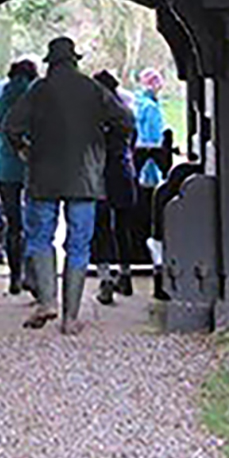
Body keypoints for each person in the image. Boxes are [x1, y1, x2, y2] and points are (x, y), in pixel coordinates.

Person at [5, 36, 132, 334]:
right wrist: (101, 145)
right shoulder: (93, 89)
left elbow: (11, 126)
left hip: (43, 176)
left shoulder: (39, 90)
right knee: (79, 245)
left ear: (51, 62)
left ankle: (47, 301)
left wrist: (24, 149)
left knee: (40, 238)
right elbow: (125, 122)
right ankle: (70, 318)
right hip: (85, 178)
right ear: (75, 60)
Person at [0, 59, 39, 295]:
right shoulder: (34, 92)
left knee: (13, 222)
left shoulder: (0, 89)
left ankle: (14, 277)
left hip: (5, 166)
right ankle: (31, 274)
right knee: (35, 221)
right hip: (32, 166)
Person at [92, 70, 138, 306]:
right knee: (123, 227)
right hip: (124, 173)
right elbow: (133, 145)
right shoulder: (126, 114)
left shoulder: (93, 116)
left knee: (101, 228)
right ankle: (126, 274)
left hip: (100, 176)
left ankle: (105, 278)